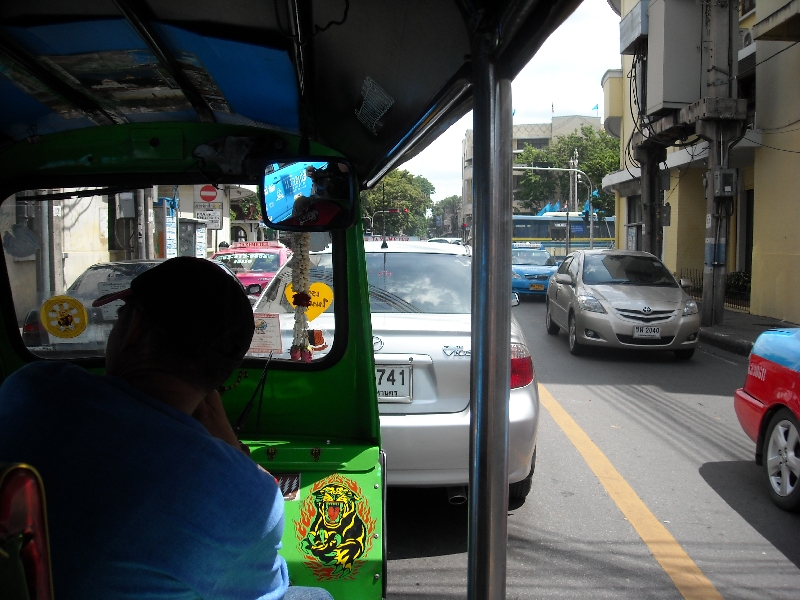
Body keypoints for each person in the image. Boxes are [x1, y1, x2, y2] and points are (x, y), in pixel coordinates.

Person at [0, 257, 332, 600]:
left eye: (119, 318)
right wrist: (234, 450)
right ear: (224, 373)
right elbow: (269, 590)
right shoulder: (246, 495)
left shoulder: (34, 389)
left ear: (136, 329)